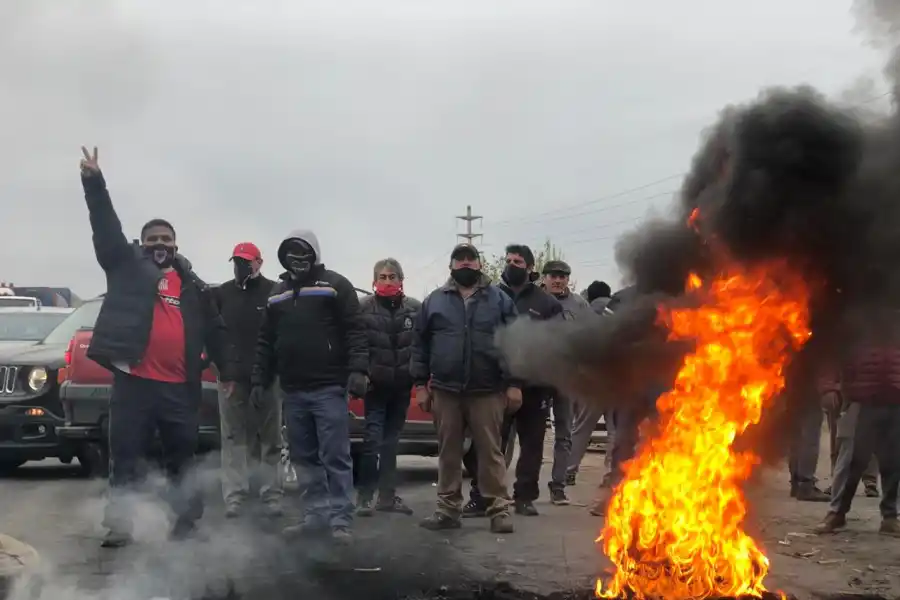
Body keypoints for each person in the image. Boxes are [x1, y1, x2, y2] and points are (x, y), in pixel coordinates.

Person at [78, 146, 236, 548]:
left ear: (176, 245)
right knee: (125, 456)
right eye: (152, 239)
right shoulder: (125, 267)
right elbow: (105, 227)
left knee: (182, 456)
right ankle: (120, 525)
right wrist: (94, 182)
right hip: (134, 384)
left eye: (166, 239)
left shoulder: (194, 285)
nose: (159, 243)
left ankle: (186, 522)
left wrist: (228, 370)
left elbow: (215, 330)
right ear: (142, 243)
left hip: (179, 387)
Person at [251, 230, 368, 542]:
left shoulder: (335, 285)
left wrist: (358, 370)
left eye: (303, 252)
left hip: (329, 387)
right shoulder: (276, 293)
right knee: (304, 458)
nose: (298, 258)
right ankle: (315, 516)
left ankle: (341, 520)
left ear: (314, 253)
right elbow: (265, 341)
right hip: (292, 390)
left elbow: (355, 330)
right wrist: (259, 379)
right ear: (283, 257)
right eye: (291, 253)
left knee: (335, 456)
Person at [413, 243, 520, 533]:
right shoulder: (434, 301)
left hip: (487, 390)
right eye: (459, 259)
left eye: (470, 259)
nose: (465, 263)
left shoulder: (499, 300)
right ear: (451, 266)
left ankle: (499, 510)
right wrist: (420, 385)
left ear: (479, 264)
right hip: (445, 391)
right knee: (448, 453)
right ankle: (447, 510)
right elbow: (420, 345)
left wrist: (513, 384)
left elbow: (515, 344)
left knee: (490, 452)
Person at [463, 245, 563, 517]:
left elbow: (559, 346)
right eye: (508, 260)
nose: (511, 265)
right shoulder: (489, 297)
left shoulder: (547, 303)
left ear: (530, 267)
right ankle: (482, 496)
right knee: (489, 444)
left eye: (518, 261)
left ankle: (524, 497)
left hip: (535, 386)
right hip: (497, 384)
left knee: (532, 445)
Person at [211, 242, 283, 519]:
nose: (241, 266)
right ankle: (235, 496)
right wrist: (222, 371)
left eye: (247, 261)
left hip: (267, 377)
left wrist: (272, 372)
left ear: (259, 263)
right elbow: (215, 336)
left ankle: (271, 494)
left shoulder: (274, 291)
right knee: (233, 438)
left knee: (270, 439)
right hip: (232, 379)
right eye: (237, 261)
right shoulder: (222, 294)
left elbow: (279, 335)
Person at [814, 332, 900, 536]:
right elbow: (831, 354)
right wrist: (828, 388)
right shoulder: (856, 320)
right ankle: (837, 513)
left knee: (894, 462)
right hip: (861, 401)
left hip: (896, 400)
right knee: (850, 461)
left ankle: (890, 518)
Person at [356, 258, 421, 517]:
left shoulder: (414, 309)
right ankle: (364, 497)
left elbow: (420, 345)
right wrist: (362, 373)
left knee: (391, 443)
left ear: (401, 280)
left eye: (392, 277)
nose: (387, 281)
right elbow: (358, 345)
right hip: (376, 387)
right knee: (372, 441)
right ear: (374, 281)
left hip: (401, 387)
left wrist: (416, 375)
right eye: (382, 277)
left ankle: (387, 497)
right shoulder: (364, 309)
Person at [539, 259, 588, 505]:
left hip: (566, 378)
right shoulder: (534, 300)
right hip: (537, 377)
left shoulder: (579, 304)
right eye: (553, 276)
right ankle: (524, 490)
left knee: (564, 435)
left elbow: (591, 335)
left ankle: (558, 487)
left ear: (568, 279)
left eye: (562, 277)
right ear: (544, 278)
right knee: (532, 436)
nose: (558, 281)